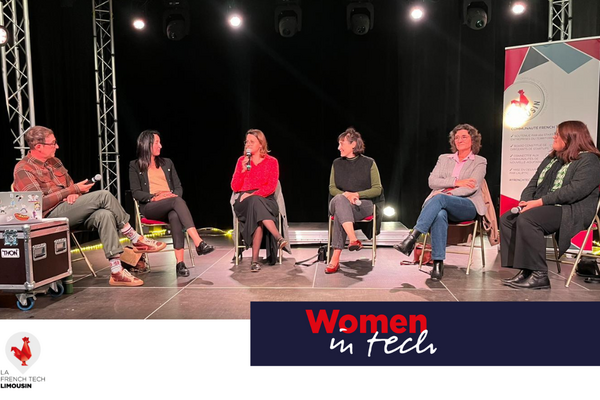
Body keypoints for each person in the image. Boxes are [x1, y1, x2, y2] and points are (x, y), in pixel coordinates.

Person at [13, 126, 166, 287]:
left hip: (70, 209)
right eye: (53, 143)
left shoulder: (55, 162)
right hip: (50, 216)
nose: (57, 146)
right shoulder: (23, 169)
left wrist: (74, 193)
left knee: (104, 215)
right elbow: (38, 204)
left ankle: (117, 271)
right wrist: (72, 190)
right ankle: (135, 238)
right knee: (104, 195)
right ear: (38, 146)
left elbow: (70, 186)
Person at [500, 121, 600, 290]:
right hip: (546, 205)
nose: (554, 137)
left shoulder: (589, 160)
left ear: (571, 138)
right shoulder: (552, 159)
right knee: (508, 219)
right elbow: (533, 184)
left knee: (529, 219)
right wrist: (526, 201)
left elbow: (574, 191)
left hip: (571, 209)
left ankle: (539, 275)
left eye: (558, 134)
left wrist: (540, 202)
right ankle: (526, 270)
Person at [394, 124, 487, 281]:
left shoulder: (479, 161)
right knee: (439, 214)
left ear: (473, 140)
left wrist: (447, 192)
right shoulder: (444, 158)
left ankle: (412, 238)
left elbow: (471, 187)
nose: (460, 140)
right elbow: (432, 182)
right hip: (441, 205)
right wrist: (457, 182)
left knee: (439, 198)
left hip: (467, 204)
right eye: (457, 137)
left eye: (464, 137)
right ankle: (438, 264)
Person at [129, 130, 215, 278]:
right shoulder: (135, 165)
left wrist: (172, 196)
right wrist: (154, 197)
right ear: (147, 144)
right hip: (151, 207)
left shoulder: (167, 163)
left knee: (175, 215)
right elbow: (136, 192)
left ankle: (180, 264)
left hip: (171, 204)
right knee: (176, 201)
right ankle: (198, 242)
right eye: (157, 142)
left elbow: (178, 187)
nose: (160, 146)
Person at [326, 127, 384, 274]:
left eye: (341, 143)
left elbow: (377, 189)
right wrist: (346, 195)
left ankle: (334, 260)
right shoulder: (336, 163)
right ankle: (353, 239)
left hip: (362, 204)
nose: (338, 147)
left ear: (353, 144)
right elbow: (332, 188)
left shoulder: (369, 163)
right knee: (340, 201)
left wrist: (356, 194)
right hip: (339, 201)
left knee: (340, 213)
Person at [231, 129, 287, 272]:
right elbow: (235, 187)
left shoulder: (272, 162)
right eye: (246, 142)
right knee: (255, 205)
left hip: (266, 200)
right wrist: (242, 171)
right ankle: (278, 237)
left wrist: (254, 195)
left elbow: (271, 187)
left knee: (256, 205)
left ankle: (255, 261)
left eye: (252, 142)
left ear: (261, 144)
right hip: (244, 201)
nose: (248, 144)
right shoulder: (241, 161)